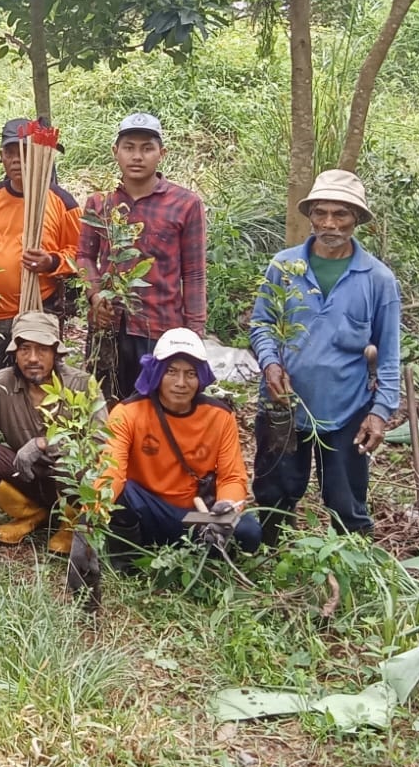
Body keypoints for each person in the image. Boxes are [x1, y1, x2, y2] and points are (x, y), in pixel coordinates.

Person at [249, 170, 402, 540]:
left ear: (357, 219)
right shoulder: (284, 267)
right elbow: (262, 323)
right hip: (284, 404)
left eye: (341, 214)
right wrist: (270, 364)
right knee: (275, 493)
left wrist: (379, 412)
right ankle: (271, 559)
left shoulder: (377, 280)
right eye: (321, 213)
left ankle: (354, 565)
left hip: (346, 409)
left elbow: (390, 354)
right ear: (311, 216)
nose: (329, 224)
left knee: (346, 500)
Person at [0, 118, 80, 418]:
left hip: (37, 313)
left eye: (25, 151)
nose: (17, 160)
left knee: (38, 386)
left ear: (39, 155)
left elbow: (80, 256)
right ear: (2, 156)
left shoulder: (61, 200)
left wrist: (52, 262)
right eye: (10, 152)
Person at [98, 328, 261, 559]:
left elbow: (232, 477)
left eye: (190, 373)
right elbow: (110, 473)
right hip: (147, 510)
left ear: (201, 377)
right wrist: (88, 519)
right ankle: (128, 560)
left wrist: (225, 508)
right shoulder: (127, 413)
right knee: (122, 493)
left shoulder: (220, 417)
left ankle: (202, 552)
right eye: (171, 372)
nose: (181, 383)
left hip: (196, 517)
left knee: (249, 531)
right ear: (157, 373)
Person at [77, 113, 207, 404]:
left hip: (160, 328)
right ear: (115, 152)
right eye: (129, 147)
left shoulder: (185, 204)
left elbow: (195, 274)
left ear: (162, 153)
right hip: (108, 327)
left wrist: (195, 333)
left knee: (157, 409)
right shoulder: (100, 203)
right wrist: (95, 297)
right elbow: (84, 256)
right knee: (105, 407)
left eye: (147, 148)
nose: (137, 156)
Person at [0, 311, 87, 549]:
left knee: (76, 459)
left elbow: (102, 440)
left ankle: (70, 526)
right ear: (15, 353)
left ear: (55, 352)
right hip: (26, 477)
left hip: (70, 482)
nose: (32, 358)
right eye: (25, 349)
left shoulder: (80, 384)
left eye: (42, 349)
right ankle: (30, 513)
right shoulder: (2, 383)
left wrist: (43, 443)